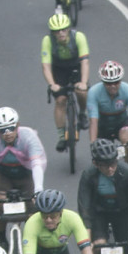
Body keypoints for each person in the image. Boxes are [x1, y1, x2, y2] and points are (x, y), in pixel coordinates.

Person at [0, 107, 47, 228]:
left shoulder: (29, 136)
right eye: (2, 130)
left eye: (11, 128)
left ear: (18, 125)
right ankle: (2, 237)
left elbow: (37, 163)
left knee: (33, 207)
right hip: (3, 174)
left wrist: (38, 190)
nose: (7, 133)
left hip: (26, 173)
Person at [40, 11, 90, 151]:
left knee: (81, 92)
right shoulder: (47, 41)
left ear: (68, 29)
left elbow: (85, 62)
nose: (61, 33)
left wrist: (83, 82)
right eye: (57, 31)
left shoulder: (79, 37)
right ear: (52, 32)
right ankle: (62, 136)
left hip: (76, 67)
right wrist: (52, 84)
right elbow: (46, 66)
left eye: (63, 29)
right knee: (60, 100)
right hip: (59, 69)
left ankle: (82, 113)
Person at [86, 60, 128, 161]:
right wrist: (92, 144)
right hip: (102, 125)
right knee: (100, 157)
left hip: (121, 122)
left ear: (121, 80)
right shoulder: (93, 92)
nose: (113, 86)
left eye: (116, 82)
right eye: (108, 83)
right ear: (103, 82)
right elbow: (93, 121)